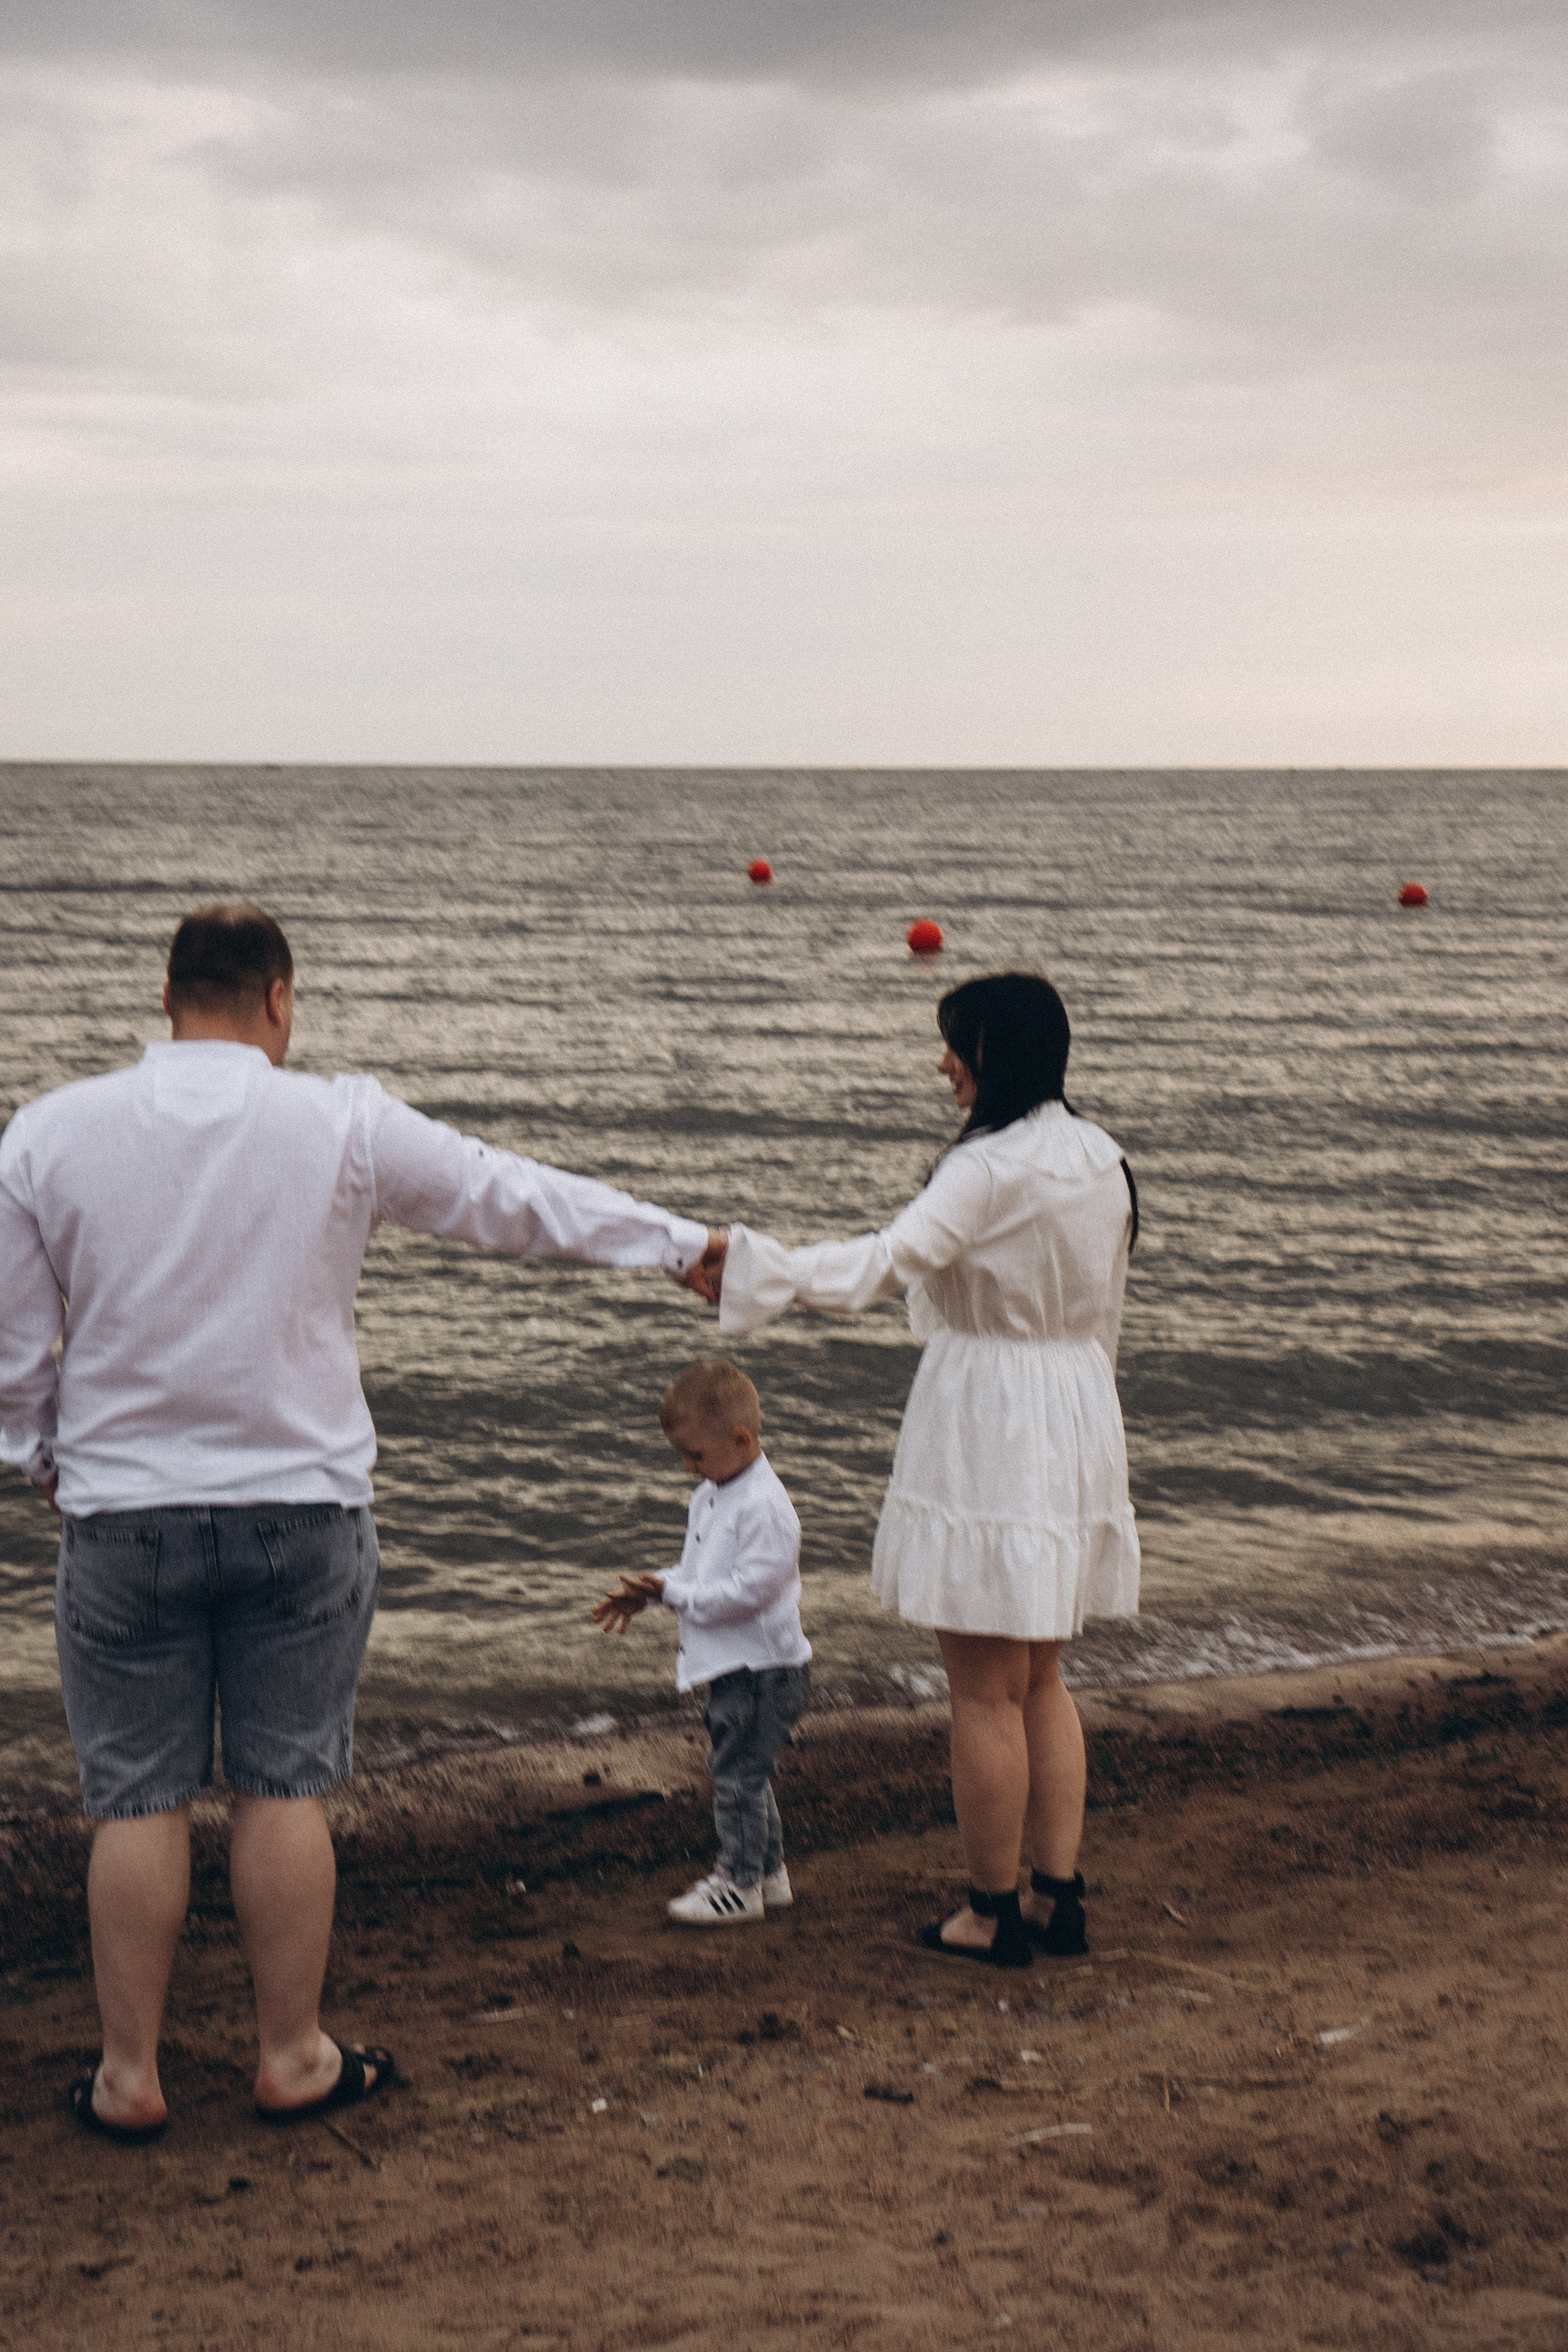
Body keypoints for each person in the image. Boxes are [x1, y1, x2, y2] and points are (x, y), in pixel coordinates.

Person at [0, 903, 725, 2141]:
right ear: (278, 1000)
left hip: (128, 1520)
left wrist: (40, 1461)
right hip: (303, 1512)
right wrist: (680, 1247)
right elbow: (510, 1201)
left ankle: (130, 2079)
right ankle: (288, 2056)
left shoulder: (50, 1134)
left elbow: (14, 1358)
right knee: (284, 1789)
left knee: (136, 1799)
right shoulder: (338, 1121)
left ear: (168, 998)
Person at [712, 972, 1139, 1970]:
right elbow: (1107, 1315)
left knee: (985, 1691)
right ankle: (1055, 1898)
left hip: (992, 1414)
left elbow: (877, 1269)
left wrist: (747, 1265)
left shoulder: (986, 1168)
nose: (942, 1061)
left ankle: (990, 1914)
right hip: (1076, 1410)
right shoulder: (1102, 1157)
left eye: (957, 1044)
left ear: (999, 1052)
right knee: (1041, 1681)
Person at [593, 1358, 810, 1928]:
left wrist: (678, 1596)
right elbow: (704, 1572)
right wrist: (659, 1589)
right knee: (744, 1772)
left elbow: (751, 1592)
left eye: (696, 1455)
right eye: (682, 1456)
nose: (689, 1468)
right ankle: (768, 1874)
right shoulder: (715, 1494)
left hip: (764, 1667)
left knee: (737, 1778)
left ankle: (738, 1885)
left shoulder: (764, 1505)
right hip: (736, 1664)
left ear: (741, 1440)